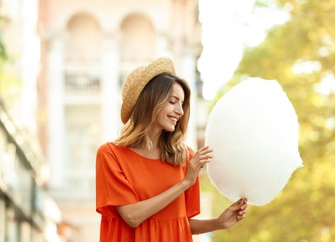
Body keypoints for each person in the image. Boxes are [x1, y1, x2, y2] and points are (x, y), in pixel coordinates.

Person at [95, 57, 247, 241]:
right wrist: (184, 183)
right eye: (173, 101)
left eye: (182, 104)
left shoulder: (186, 158)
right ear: (151, 101)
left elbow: (181, 223)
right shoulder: (111, 155)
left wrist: (219, 223)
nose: (181, 111)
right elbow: (132, 216)